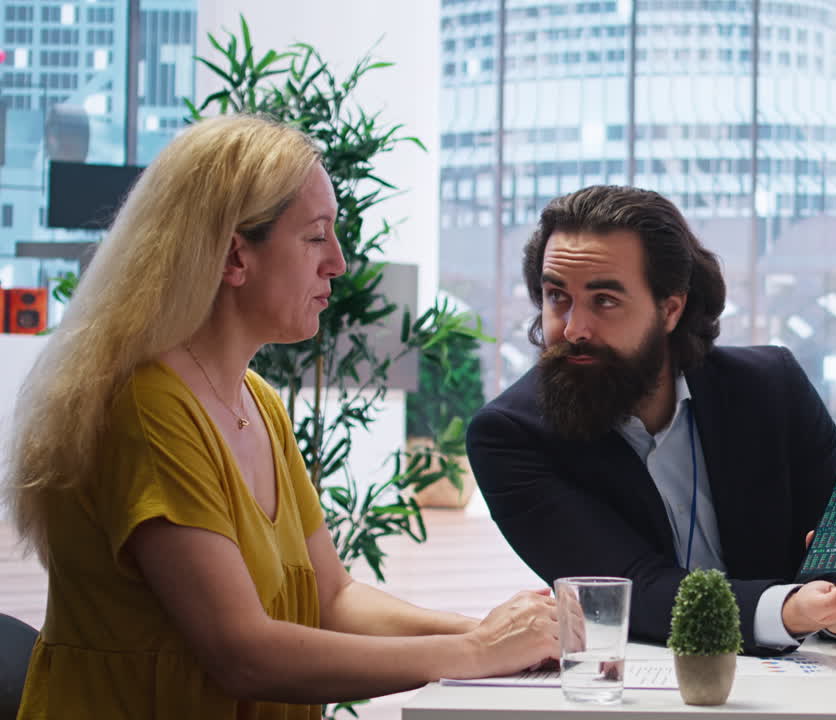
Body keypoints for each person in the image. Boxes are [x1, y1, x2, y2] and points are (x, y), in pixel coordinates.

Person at [2, 115, 558, 719]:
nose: (339, 264)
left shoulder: (257, 401)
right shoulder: (146, 409)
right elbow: (242, 653)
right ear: (235, 255)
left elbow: (332, 597)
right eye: (316, 237)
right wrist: (477, 650)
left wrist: (489, 635)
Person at [466, 185, 836, 656]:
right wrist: (790, 610)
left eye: (605, 300)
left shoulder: (772, 388)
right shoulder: (511, 435)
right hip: (636, 692)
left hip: (802, 684)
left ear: (670, 308)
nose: (573, 329)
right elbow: (631, 590)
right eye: (557, 297)